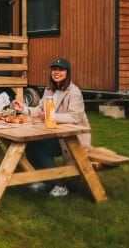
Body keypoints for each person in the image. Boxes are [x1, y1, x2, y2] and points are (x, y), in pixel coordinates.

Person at [13, 58, 91, 197]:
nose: (57, 72)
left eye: (61, 70)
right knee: (30, 147)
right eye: (54, 70)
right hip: (54, 133)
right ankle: (45, 179)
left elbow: (74, 117)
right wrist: (23, 109)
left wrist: (52, 117)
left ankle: (60, 185)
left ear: (67, 73)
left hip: (71, 136)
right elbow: (39, 109)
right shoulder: (49, 90)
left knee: (41, 151)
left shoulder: (74, 92)